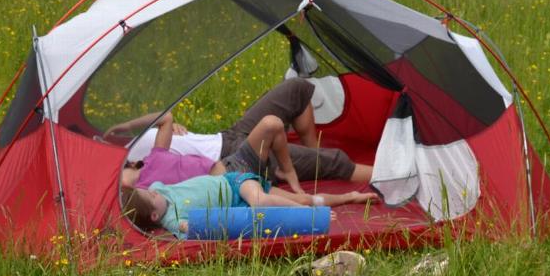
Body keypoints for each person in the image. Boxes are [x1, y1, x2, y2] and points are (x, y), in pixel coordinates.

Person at [105, 78, 372, 190]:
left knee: (297, 89)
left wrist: (128, 127)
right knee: (335, 160)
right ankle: (391, 177)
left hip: (226, 135)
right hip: (233, 159)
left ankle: (311, 156)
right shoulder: (122, 174)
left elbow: (165, 120)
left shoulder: (127, 144)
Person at [121, 165, 377, 239]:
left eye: (149, 191)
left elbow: (134, 186)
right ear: (155, 216)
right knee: (302, 197)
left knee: (261, 200)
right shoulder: (172, 219)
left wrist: (130, 193)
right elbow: (189, 228)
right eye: (152, 198)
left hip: (235, 183)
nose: (154, 192)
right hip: (237, 206)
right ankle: (349, 197)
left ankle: (306, 213)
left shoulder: (157, 189)